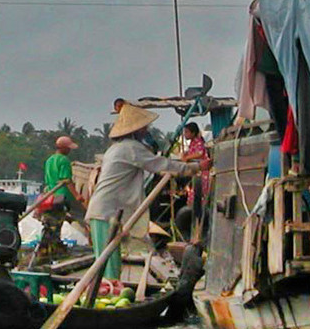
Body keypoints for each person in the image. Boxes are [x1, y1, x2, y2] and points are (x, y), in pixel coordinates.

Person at [84, 102, 203, 281]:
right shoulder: (131, 148)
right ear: (136, 129)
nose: (146, 129)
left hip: (106, 210)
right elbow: (161, 164)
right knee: (108, 266)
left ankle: (110, 293)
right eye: (144, 127)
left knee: (109, 262)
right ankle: (108, 296)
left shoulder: (115, 148)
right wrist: (196, 166)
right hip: (106, 212)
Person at [42, 135, 86, 226]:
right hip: (64, 196)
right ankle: (90, 233)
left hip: (52, 196)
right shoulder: (64, 160)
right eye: (68, 148)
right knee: (83, 215)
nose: (69, 150)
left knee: (54, 221)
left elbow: (47, 180)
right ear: (63, 148)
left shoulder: (49, 160)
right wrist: (77, 195)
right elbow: (66, 181)